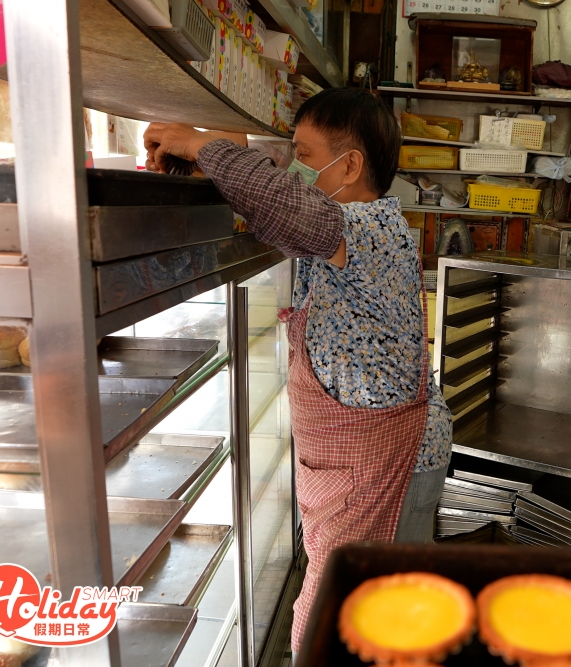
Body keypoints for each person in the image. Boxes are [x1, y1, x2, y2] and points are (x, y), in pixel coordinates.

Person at [143, 88, 452, 654]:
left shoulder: (372, 229)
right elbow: (269, 208)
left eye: (304, 156)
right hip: (356, 463)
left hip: (391, 462)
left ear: (350, 166)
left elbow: (286, 206)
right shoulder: (333, 233)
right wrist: (200, 165)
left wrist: (200, 142)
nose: (294, 170)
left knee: (372, 626)